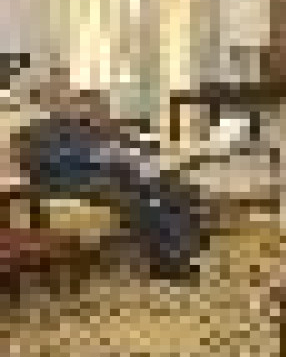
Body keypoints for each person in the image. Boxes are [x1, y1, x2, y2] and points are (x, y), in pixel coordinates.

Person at [13, 68, 212, 282]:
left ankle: (183, 249)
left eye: (66, 89)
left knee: (172, 185)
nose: (65, 95)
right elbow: (51, 162)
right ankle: (168, 259)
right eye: (58, 90)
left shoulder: (79, 122)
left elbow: (115, 144)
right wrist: (104, 156)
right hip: (72, 183)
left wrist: (131, 152)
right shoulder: (36, 129)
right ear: (44, 96)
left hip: (107, 174)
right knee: (144, 194)